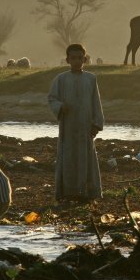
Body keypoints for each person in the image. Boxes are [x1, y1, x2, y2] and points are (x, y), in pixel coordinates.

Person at [47, 43, 104, 204]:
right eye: (73, 58)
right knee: (68, 157)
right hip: (68, 127)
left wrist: (96, 125)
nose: (77, 61)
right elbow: (52, 98)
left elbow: (96, 102)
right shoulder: (61, 79)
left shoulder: (91, 78)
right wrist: (60, 107)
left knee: (86, 157)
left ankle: (87, 192)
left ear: (85, 59)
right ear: (67, 60)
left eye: (80, 58)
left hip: (85, 127)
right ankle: (68, 193)